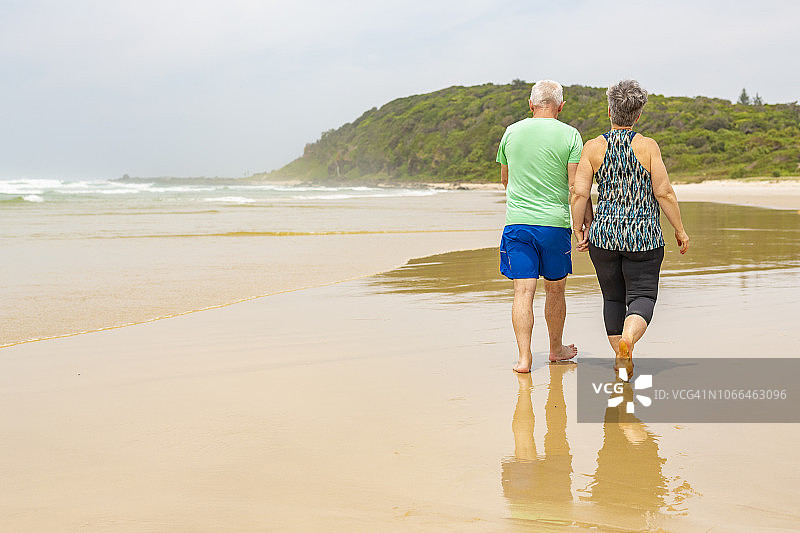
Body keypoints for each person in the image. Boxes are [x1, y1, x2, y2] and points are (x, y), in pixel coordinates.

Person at [570, 79, 690, 377]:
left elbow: (579, 193)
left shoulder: (593, 147)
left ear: (610, 111)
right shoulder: (648, 146)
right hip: (644, 236)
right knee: (643, 296)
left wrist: (578, 228)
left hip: (605, 236)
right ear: (638, 115)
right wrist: (679, 229)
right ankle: (628, 341)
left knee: (612, 297)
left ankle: (621, 353)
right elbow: (664, 192)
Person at [496, 80, 592, 373]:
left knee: (523, 292)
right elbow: (577, 188)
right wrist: (582, 222)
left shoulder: (511, 132)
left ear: (531, 105)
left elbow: (505, 179)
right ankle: (555, 349)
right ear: (561, 106)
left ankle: (524, 359)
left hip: (518, 224)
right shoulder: (571, 135)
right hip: (554, 225)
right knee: (555, 290)